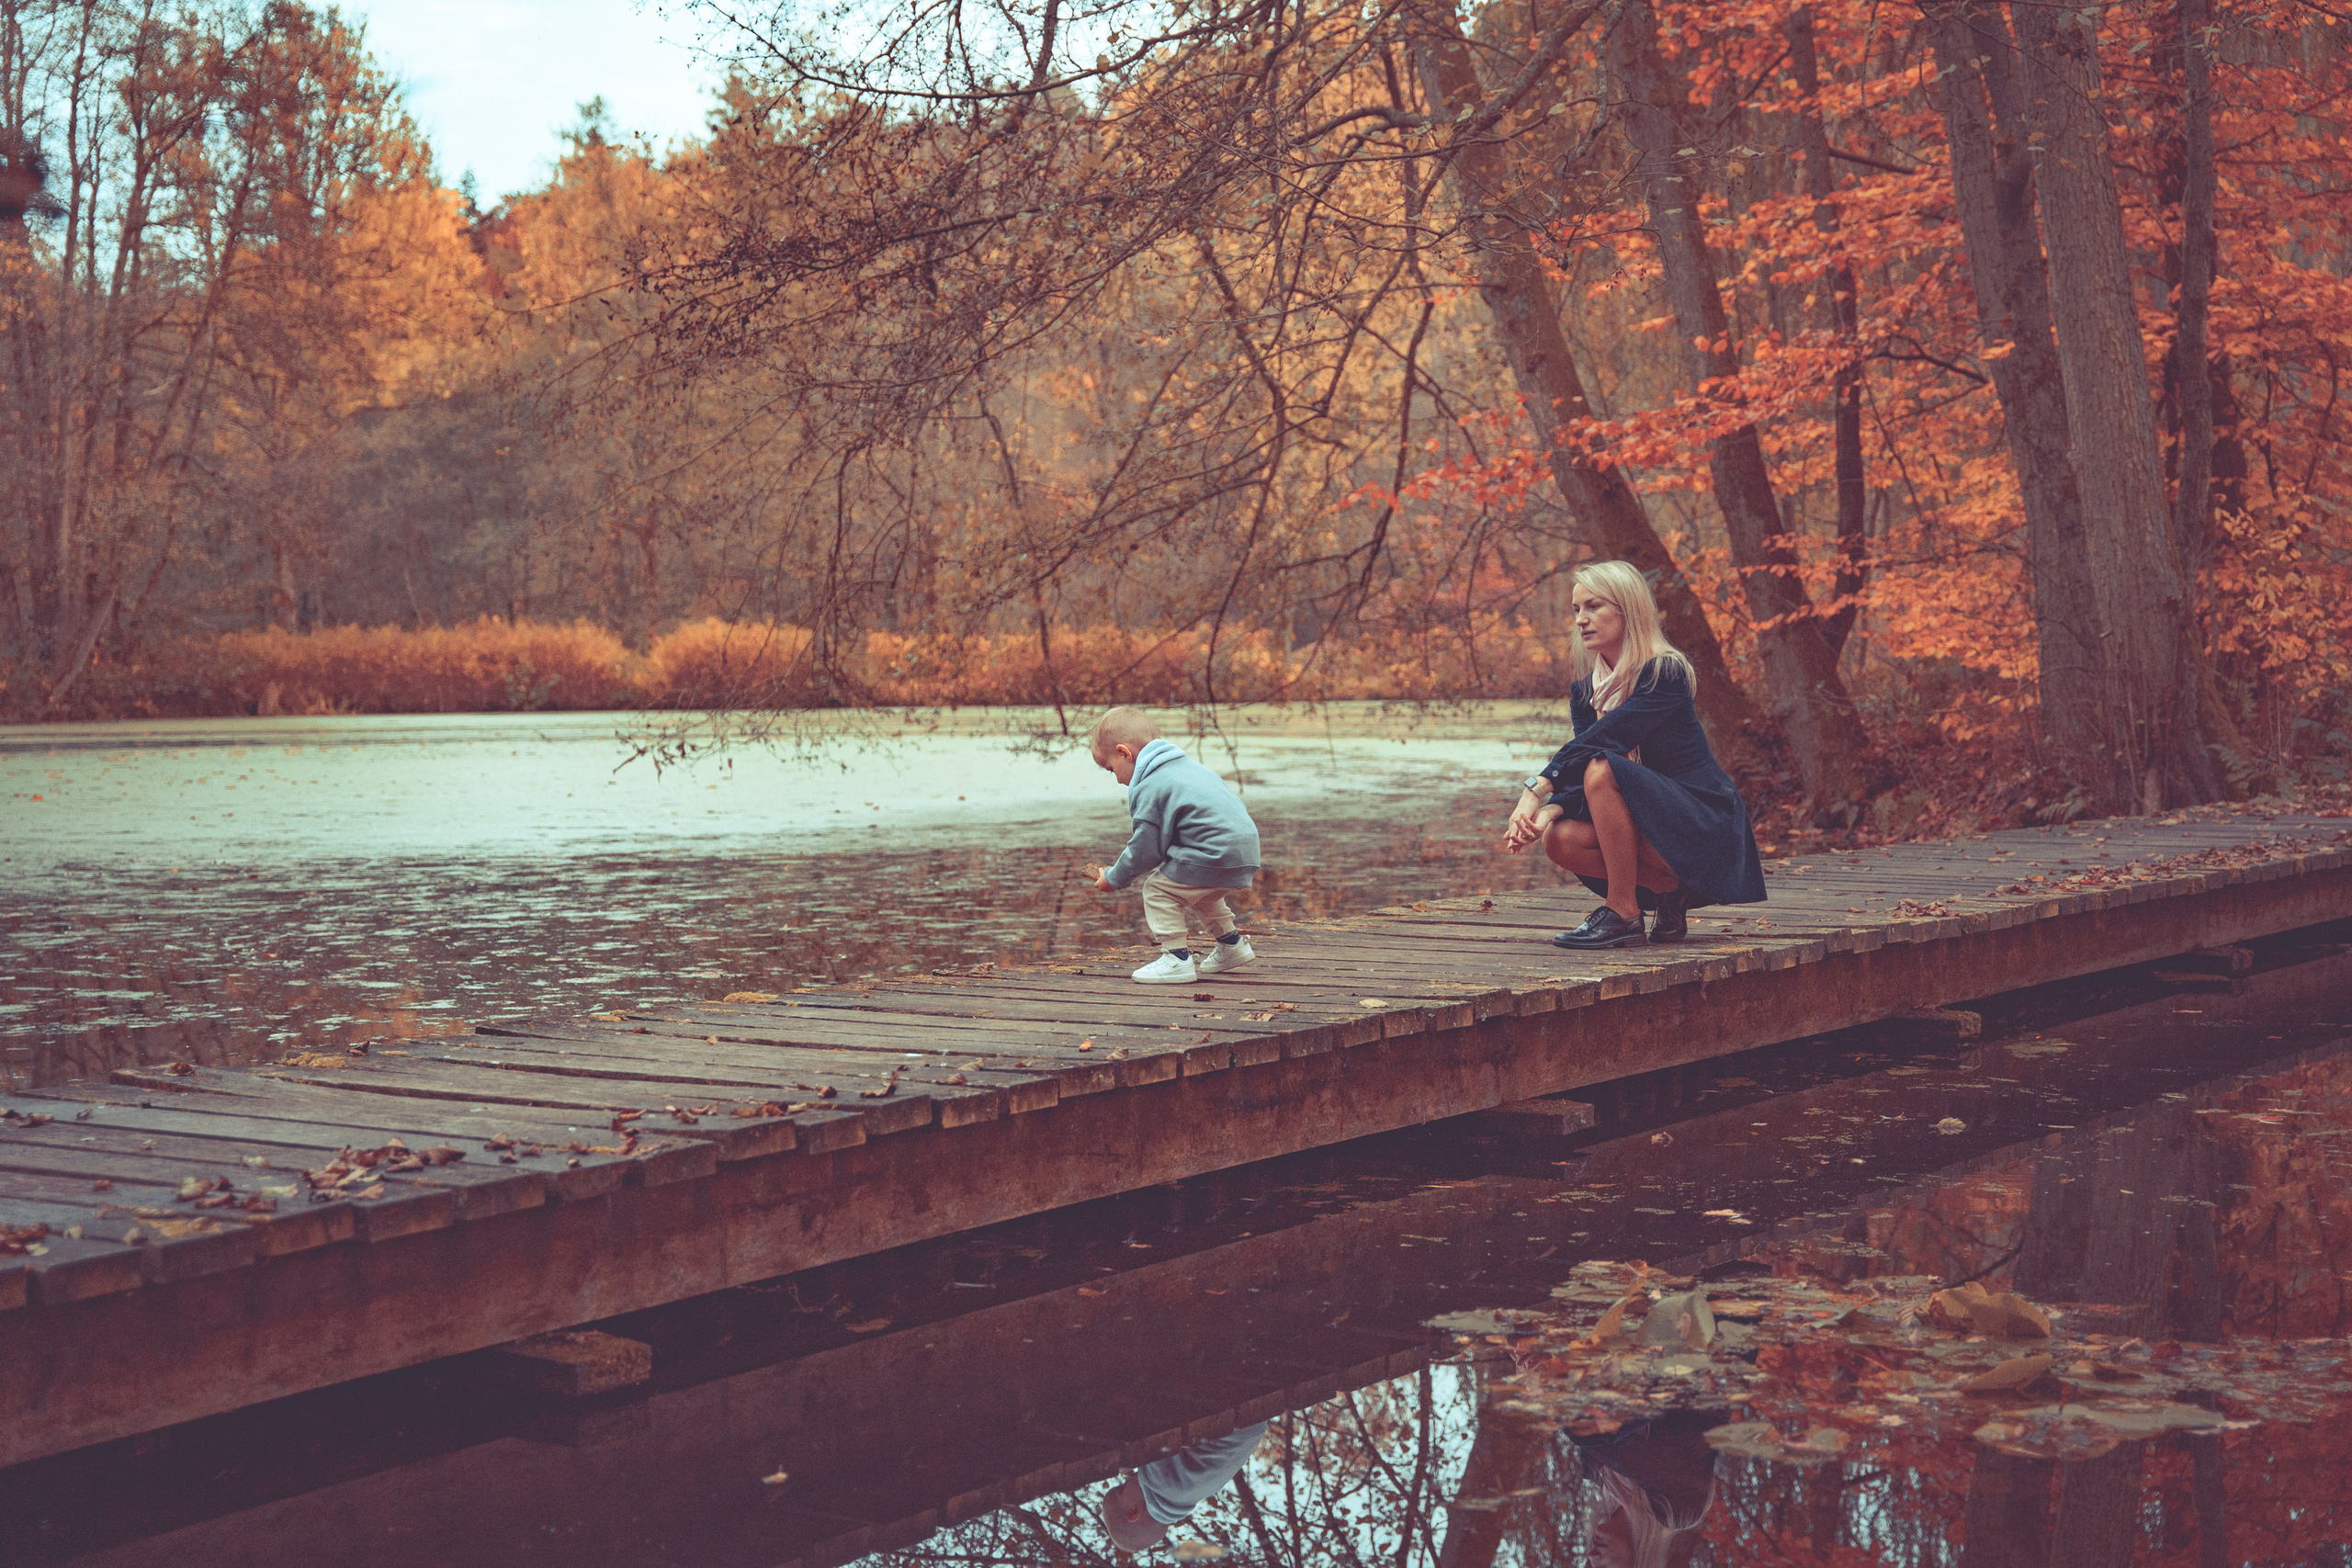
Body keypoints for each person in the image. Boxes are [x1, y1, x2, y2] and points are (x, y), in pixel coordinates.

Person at [1503, 560, 1766, 949]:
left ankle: (1623, 911)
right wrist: (1548, 812)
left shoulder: (1665, 673)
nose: (1581, 620)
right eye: (1576, 609)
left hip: (1702, 823)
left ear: (1628, 610)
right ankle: (1668, 891)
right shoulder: (1586, 693)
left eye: (1594, 606)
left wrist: (1535, 790)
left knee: (1602, 766)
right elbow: (1582, 772)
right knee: (1559, 839)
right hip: (1650, 827)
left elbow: (1605, 744)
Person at [1087, 706, 1261, 984]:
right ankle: (1231, 945)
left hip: (1212, 849)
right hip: (1245, 848)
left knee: (1158, 891)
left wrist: (1114, 877)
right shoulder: (1189, 768)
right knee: (1199, 890)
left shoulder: (1151, 785)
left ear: (1124, 753)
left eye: (1111, 769)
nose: (1118, 779)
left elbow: (1146, 849)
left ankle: (1176, 959)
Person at [1099, 1420, 1269, 1552]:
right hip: (1235, 1417)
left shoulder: (1181, 1497)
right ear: (1134, 1512)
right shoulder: (1162, 1485)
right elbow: (1150, 1433)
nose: (1127, 1478)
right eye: (1122, 1488)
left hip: (1251, 1426)